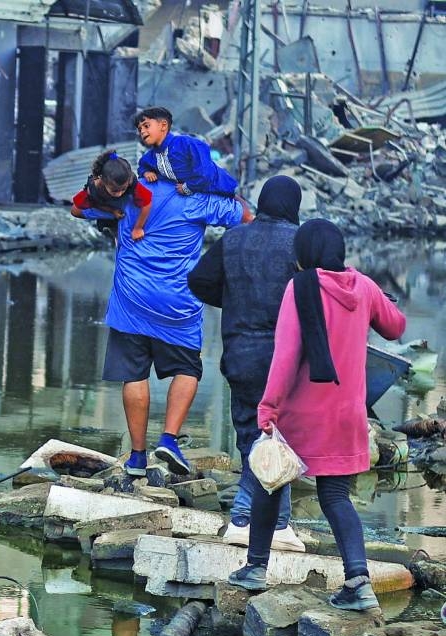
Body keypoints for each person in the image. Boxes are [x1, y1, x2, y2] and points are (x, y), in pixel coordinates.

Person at [227, 219, 406, 611]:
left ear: (304, 253)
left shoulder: (301, 286)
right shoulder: (363, 286)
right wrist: (383, 301)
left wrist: (268, 405)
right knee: (336, 496)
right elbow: (396, 328)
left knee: (269, 482)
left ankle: (256, 568)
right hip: (347, 414)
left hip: (303, 412)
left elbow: (287, 353)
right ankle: (358, 584)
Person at [187, 175, 306, 553]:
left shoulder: (235, 237)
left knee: (251, 434)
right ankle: (254, 520)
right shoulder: (299, 242)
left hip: (239, 350)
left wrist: (235, 299)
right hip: (284, 353)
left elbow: (199, 280)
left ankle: (256, 521)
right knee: (281, 435)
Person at [102, 179, 250, 477]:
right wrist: (225, 189)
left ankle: (137, 458)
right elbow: (245, 217)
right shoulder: (196, 197)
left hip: (131, 298)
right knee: (188, 369)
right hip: (178, 304)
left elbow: (81, 207)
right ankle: (169, 439)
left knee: (134, 374)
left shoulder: (130, 192)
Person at [134, 106, 241, 200]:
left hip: (218, 192)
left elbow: (205, 173)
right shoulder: (151, 156)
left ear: (163, 125)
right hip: (191, 200)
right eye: (140, 129)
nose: (142, 131)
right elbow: (143, 166)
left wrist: (187, 187)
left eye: (146, 126)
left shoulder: (187, 144)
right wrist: (146, 172)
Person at [71, 150, 153, 242]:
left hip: (125, 204)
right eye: (115, 190)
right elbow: (80, 208)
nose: (119, 193)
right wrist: (111, 211)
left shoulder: (131, 182)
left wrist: (138, 228)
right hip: (105, 205)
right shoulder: (94, 188)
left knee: (123, 237)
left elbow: (147, 202)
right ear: (103, 182)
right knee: (75, 211)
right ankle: (111, 222)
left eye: (123, 189)